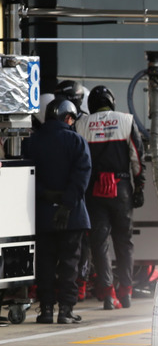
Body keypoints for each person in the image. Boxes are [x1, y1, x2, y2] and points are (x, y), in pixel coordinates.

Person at [75, 85, 145, 310]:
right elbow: (137, 156)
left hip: (93, 190)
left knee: (99, 244)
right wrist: (140, 186)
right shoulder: (126, 120)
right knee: (125, 243)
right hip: (121, 187)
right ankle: (126, 291)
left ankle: (108, 293)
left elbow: (77, 161)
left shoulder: (81, 124)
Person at [22, 99, 91, 324]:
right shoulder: (76, 141)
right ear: (68, 118)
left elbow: (26, 175)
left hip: (42, 214)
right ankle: (66, 311)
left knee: (45, 263)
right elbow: (82, 175)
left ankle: (46, 311)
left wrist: (46, 195)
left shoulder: (32, 142)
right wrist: (67, 204)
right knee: (70, 263)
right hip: (72, 216)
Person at [54, 81, 92, 301]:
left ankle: (81, 283)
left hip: (79, 192)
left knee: (82, 243)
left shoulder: (83, 122)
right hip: (72, 192)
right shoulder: (57, 121)